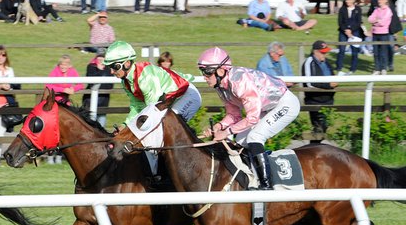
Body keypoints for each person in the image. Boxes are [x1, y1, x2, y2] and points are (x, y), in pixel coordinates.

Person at [197, 46, 300, 189]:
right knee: (240, 139)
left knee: (254, 137)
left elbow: (252, 118)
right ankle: (252, 177)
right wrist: (219, 126)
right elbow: (234, 115)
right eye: (203, 72)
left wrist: (226, 132)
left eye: (207, 73)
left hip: (285, 104)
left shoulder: (239, 82)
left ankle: (266, 185)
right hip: (266, 107)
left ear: (221, 70)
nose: (204, 77)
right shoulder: (221, 86)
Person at [104, 40, 202, 182]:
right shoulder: (125, 81)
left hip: (187, 96)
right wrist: (125, 125)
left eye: (114, 67)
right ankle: (155, 176)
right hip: (167, 102)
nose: (111, 71)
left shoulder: (145, 77)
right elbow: (136, 107)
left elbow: (153, 111)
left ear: (126, 64)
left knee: (159, 131)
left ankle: (163, 176)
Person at [302, 40, 337, 138]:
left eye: (325, 52)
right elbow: (309, 83)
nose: (324, 55)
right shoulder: (309, 62)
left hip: (328, 99)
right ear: (315, 51)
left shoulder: (326, 62)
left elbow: (332, 75)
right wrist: (328, 85)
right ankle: (313, 149)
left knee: (324, 127)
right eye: (323, 52)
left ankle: (315, 148)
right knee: (318, 128)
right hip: (315, 101)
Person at [81, 51, 113, 126]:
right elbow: (91, 82)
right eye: (99, 57)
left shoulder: (109, 69)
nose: (100, 59)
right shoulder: (91, 67)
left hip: (103, 101)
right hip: (89, 100)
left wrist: (101, 71)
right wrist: (100, 71)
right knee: (89, 124)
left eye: (102, 57)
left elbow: (109, 86)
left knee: (101, 124)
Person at [336, 0, 364, 73]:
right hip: (343, 32)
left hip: (355, 32)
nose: (347, 1)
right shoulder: (342, 9)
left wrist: (351, 30)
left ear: (353, 0)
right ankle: (339, 67)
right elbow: (340, 22)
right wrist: (346, 30)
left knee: (354, 50)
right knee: (341, 49)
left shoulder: (358, 9)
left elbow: (358, 22)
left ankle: (353, 68)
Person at [368, 0, 394, 75]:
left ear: (385, 1)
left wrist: (376, 21)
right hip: (375, 34)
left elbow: (383, 22)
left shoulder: (388, 11)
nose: (379, 1)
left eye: (381, 0)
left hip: (383, 34)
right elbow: (370, 19)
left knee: (383, 52)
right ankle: (377, 68)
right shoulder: (376, 10)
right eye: (379, 0)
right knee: (375, 52)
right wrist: (376, 20)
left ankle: (383, 68)